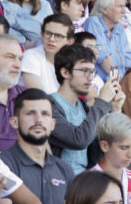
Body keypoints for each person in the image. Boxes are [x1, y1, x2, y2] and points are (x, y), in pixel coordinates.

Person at [0, 89, 74, 204]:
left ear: (53, 124)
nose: (38, 120)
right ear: (14, 122)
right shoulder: (2, 165)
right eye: (30, 113)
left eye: (45, 114)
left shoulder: (64, 169)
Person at [49, 44, 124, 174]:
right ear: (65, 72)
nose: (90, 77)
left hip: (85, 179)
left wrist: (115, 111)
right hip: (60, 180)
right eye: (84, 71)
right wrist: (101, 102)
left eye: (92, 72)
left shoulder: (83, 107)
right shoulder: (49, 105)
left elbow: (100, 151)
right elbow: (79, 140)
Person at [83, 0, 131, 81]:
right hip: (98, 84)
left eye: (124, 6)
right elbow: (104, 59)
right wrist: (119, 86)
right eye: (119, 6)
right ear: (105, 9)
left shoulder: (119, 27)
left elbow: (128, 61)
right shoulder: (93, 22)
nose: (124, 11)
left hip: (119, 85)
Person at [21, 13, 74, 94]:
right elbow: (38, 95)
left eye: (58, 36)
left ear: (70, 41)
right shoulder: (31, 56)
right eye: (48, 34)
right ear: (42, 35)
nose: (51, 39)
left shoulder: (74, 62)